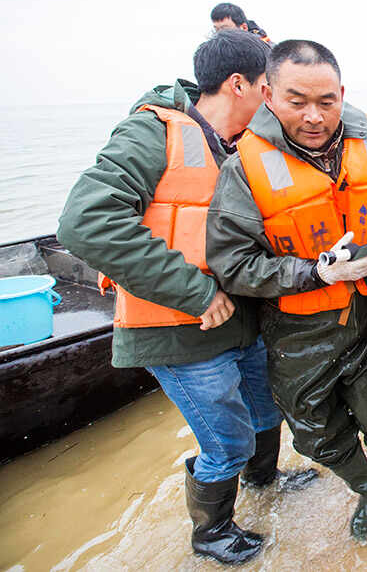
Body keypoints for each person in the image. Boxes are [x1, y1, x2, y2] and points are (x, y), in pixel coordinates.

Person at [56, 29, 316, 566]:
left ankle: (265, 482)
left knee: (266, 410)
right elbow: (85, 223)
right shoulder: (153, 132)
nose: (275, 102)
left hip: (242, 321)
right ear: (240, 84)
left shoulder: (244, 143)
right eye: (269, 88)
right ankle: (212, 532)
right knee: (226, 440)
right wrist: (194, 292)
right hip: (178, 328)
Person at [205, 39, 367, 543]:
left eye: (326, 102)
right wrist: (316, 273)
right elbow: (232, 265)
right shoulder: (243, 168)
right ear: (268, 96)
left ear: (341, 95)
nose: (314, 116)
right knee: (314, 431)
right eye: (297, 101)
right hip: (296, 329)